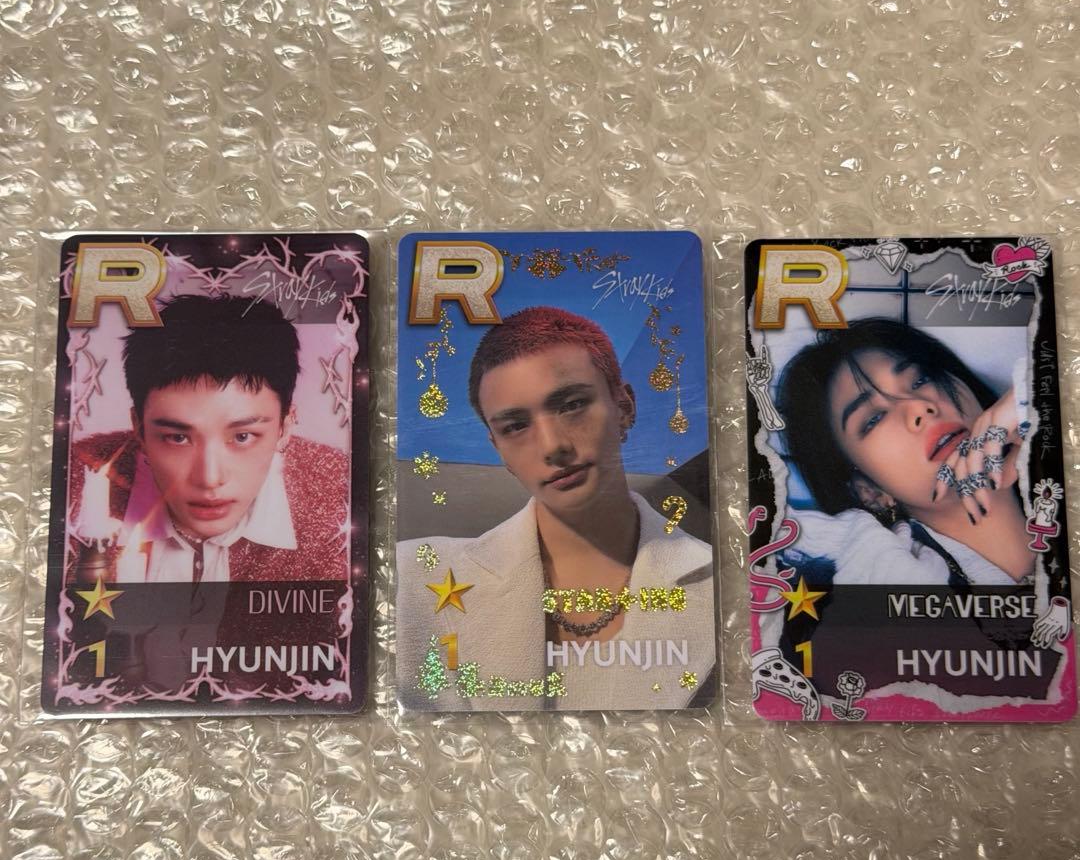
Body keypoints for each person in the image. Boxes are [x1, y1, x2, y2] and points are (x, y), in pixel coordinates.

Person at [396, 306, 716, 710]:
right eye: (515, 426)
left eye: (572, 405)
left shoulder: (722, 584)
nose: (553, 446)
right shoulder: (412, 577)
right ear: (499, 449)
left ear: (625, 407)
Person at [67, 295, 349, 584]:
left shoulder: (342, 502)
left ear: (284, 428)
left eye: (242, 437)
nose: (209, 479)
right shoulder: (70, 490)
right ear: (138, 429)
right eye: (177, 438)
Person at [774, 317, 1034, 587]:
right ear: (868, 491)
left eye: (921, 379)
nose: (919, 407)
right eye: (874, 418)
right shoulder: (893, 580)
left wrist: (1040, 404)